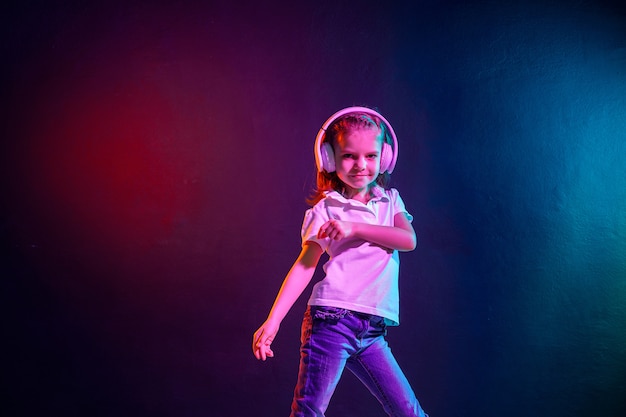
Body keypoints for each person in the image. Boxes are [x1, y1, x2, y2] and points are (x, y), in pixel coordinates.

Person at [252, 106, 429, 417]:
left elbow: (408, 240)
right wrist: (274, 319)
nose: (361, 165)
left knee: (409, 412)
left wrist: (355, 228)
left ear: (384, 158)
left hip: (372, 330)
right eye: (349, 156)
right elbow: (305, 266)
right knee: (310, 411)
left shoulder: (391, 201)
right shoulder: (326, 209)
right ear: (330, 159)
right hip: (332, 322)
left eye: (371, 156)